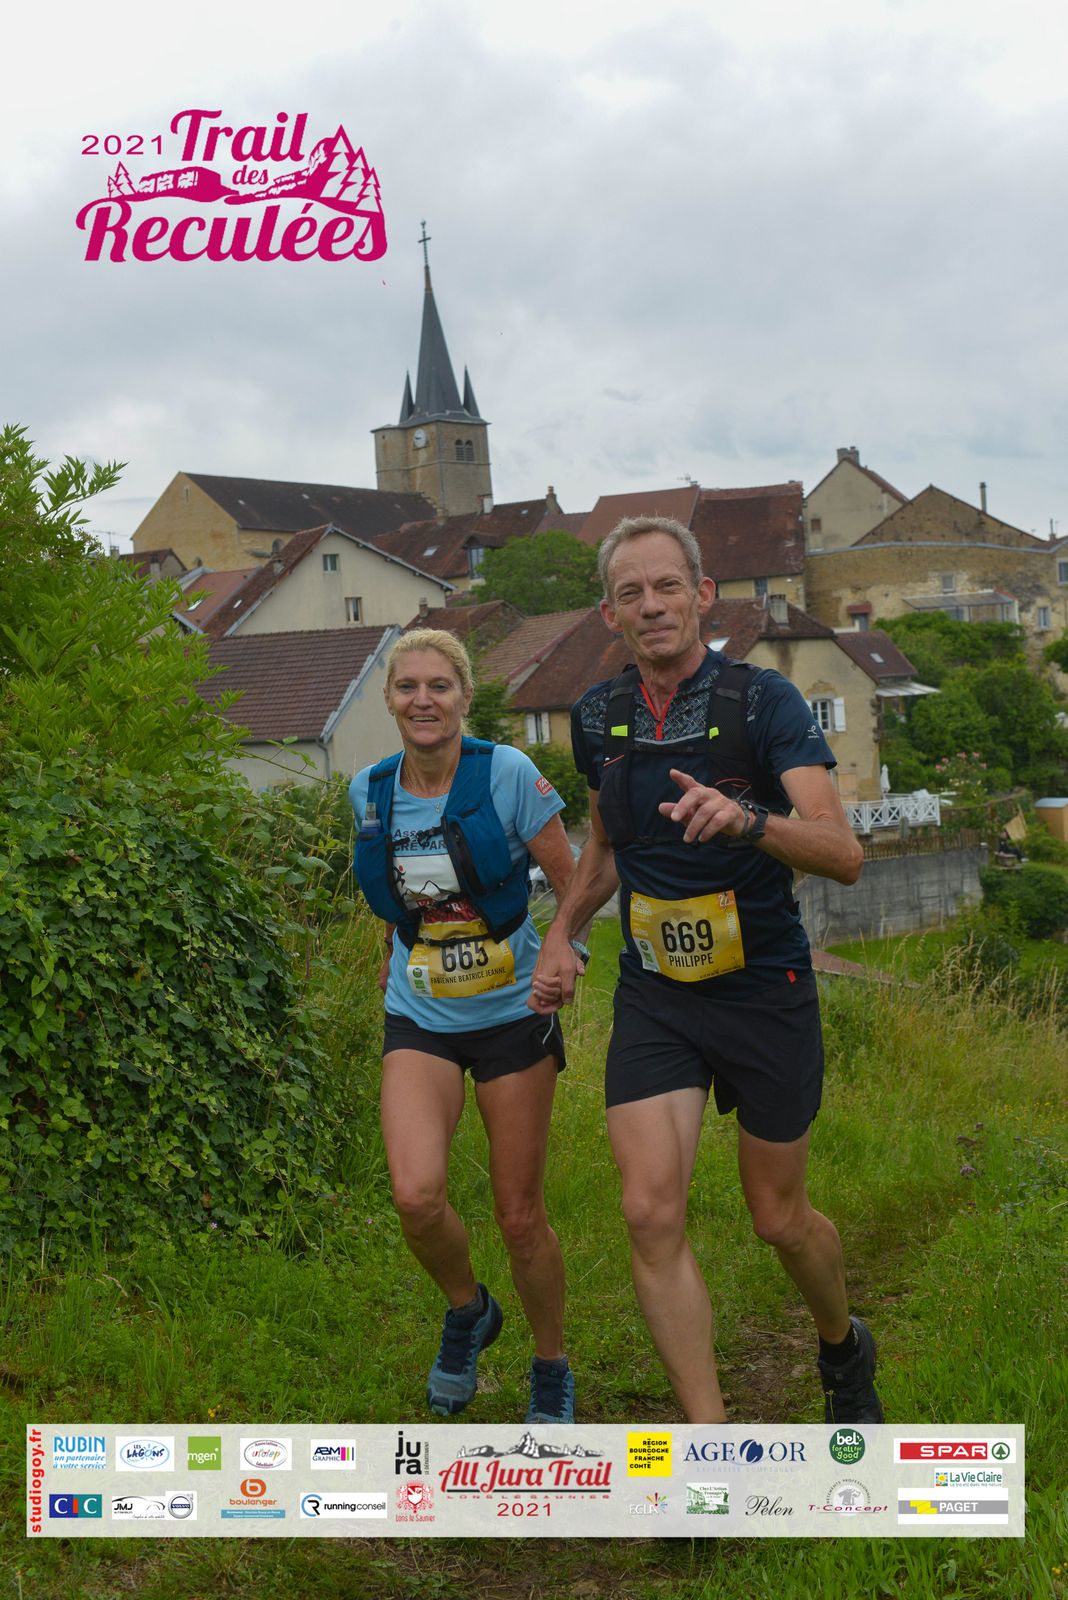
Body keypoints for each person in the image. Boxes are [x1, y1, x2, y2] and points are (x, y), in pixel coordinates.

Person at [529, 518, 884, 1425]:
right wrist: (562, 932)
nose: (652, 606)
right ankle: (709, 1440)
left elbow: (843, 853)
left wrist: (749, 821)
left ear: (702, 593)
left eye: (667, 587)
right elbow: (607, 844)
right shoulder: (597, 717)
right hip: (657, 996)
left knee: (778, 1217)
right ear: (609, 614)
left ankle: (843, 1345)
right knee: (650, 1213)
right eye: (632, 593)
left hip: (764, 990)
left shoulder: (765, 702)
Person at [350, 628, 578, 1424]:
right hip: (421, 1017)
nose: (423, 700)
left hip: (514, 1015)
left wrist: (566, 950)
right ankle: (468, 1310)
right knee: (415, 1197)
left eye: (439, 686)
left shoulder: (506, 773)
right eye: (408, 686)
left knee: (519, 1217)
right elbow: (396, 892)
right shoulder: (369, 790)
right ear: (389, 700)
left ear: (464, 697)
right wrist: (397, 948)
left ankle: (550, 1365)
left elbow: (574, 882)